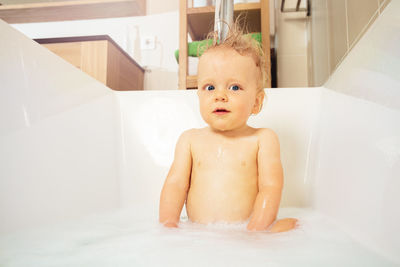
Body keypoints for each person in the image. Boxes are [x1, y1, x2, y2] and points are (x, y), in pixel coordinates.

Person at [159, 24, 297, 232]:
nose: (220, 95)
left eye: (234, 87)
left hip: (247, 231)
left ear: (256, 103)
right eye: (210, 87)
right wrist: (168, 225)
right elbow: (175, 185)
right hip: (197, 234)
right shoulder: (190, 140)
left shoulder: (262, 139)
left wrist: (256, 229)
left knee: (292, 226)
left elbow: (270, 188)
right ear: (198, 94)